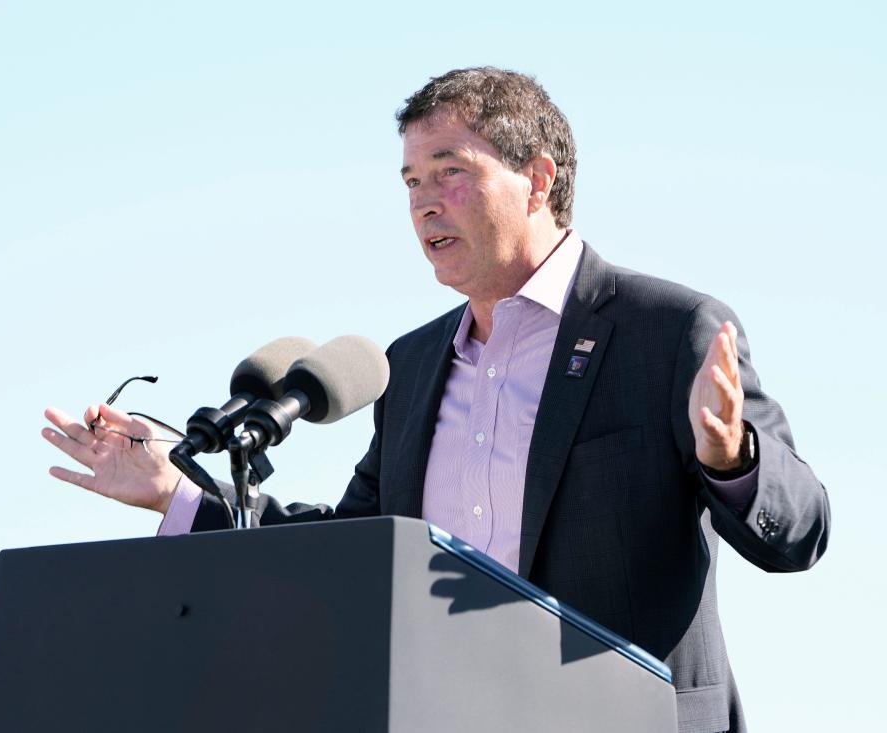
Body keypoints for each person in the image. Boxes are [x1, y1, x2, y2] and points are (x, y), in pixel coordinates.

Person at [43, 67, 830, 733]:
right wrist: (174, 494)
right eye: (412, 181)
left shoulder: (670, 331)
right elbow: (347, 549)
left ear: (540, 179)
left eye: (451, 171)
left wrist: (732, 460)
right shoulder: (411, 365)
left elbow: (801, 530)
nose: (424, 202)